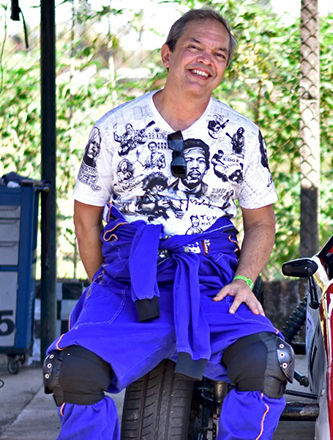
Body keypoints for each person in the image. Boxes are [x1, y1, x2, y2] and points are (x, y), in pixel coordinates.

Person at [43, 9, 293, 440]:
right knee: (72, 371)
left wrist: (244, 280)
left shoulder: (241, 134)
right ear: (167, 54)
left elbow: (260, 223)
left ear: (224, 68)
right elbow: (86, 217)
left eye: (219, 54)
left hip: (211, 280)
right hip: (128, 278)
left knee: (267, 362)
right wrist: (104, 280)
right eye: (195, 47)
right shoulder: (116, 127)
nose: (206, 60)